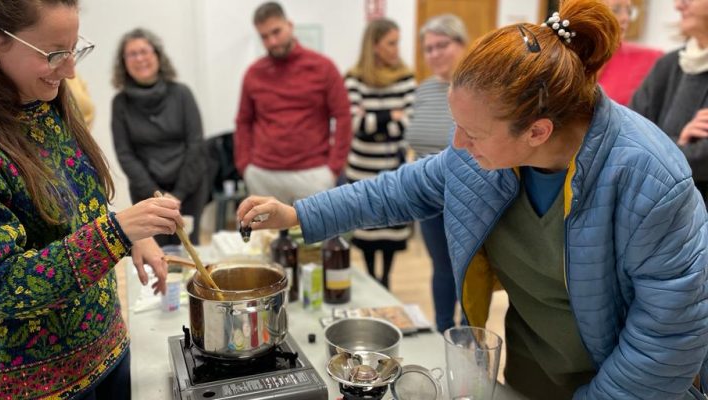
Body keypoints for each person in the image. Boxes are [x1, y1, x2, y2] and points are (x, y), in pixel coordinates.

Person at [238, 0, 708, 398]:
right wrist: (298, 213)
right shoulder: (483, 155)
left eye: (473, 132)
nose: (457, 144)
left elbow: (666, 341)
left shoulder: (650, 178)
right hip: (532, 375)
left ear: (536, 132)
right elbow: (397, 190)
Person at [0, 1, 183, 398]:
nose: (71, 70)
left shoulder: (48, 105)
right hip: (30, 387)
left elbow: (74, 212)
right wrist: (117, 233)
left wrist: (135, 236)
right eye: (55, 54)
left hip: (107, 352)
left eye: (75, 49)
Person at [235, 1, 352, 205]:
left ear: (289, 25)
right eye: (264, 36)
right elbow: (243, 121)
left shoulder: (323, 67)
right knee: (266, 237)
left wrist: (333, 168)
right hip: (263, 174)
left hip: (313, 174)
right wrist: (246, 166)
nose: (272, 41)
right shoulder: (253, 74)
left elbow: (343, 117)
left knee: (315, 237)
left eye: (276, 32)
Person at [111, 28, 207, 246]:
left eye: (144, 51)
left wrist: (178, 194)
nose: (140, 59)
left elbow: (196, 144)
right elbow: (125, 154)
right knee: (157, 254)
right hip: (147, 192)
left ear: (157, 55)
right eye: (132, 54)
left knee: (189, 250)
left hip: (189, 187)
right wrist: (157, 196)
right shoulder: (120, 103)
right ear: (123, 62)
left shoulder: (182, 93)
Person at [405, 14, 467, 331]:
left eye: (441, 45)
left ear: (461, 44)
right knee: (441, 267)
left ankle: (470, 336)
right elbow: (416, 140)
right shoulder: (425, 90)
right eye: (428, 49)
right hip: (430, 196)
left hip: (468, 196)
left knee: (469, 271)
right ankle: (444, 332)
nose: (434, 54)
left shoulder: (477, 87)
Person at [344, 18, 415, 288]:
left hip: (393, 170)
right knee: (366, 233)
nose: (397, 48)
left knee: (391, 234)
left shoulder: (406, 77)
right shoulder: (354, 78)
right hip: (361, 170)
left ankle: (385, 279)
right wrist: (389, 116)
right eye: (391, 43)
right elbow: (356, 125)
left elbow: (407, 123)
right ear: (374, 46)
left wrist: (374, 118)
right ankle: (373, 278)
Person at [630, 0, 708, 202]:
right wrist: (679, 144)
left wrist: (664, 147)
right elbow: (629, 143)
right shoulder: (668, 64)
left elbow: (703, 158)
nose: (678, 5)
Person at [597, 0, 662, 105]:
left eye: (629, 11)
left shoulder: (652, 59)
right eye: (615, 10)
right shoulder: (568, 55)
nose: (625, 18)